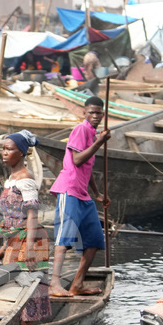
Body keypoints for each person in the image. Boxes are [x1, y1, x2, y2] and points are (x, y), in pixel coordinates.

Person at [49, 97, 111, 297]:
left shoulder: (92, 135)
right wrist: (100, 142)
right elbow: (76, 160)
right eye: (91, 112)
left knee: (94, 240)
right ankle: (54, 284)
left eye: (98, 113)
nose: (95, 116)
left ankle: (77, 284)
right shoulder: (81, 130)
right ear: (84, 113)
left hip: (83, 194)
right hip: (69, 190)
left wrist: (97, 193)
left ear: (103, 115)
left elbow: (87, 168)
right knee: (64, 237)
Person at [0, 130, 52, 323]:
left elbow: (32, 215)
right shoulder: (10, 180)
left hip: (30, 239)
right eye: (3, 149)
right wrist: (5, 245)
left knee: (29, 288)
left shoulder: (26, 179)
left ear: (21, 152)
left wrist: (29, 248)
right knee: (13, 285)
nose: (4, 153)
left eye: (9, 149)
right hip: (15, 239)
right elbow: (11, 217)